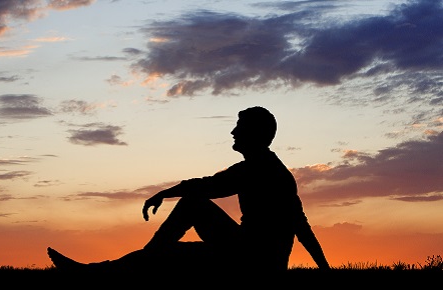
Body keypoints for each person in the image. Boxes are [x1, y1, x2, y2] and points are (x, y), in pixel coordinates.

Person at [47, 106, 330, 273]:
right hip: (248, 254)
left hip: (254, 264)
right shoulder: (260, 167)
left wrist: (326, 271)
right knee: (178, 242)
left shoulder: (261, 170)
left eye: (239, 127)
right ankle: (128, 266)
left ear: (254, 134)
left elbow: (299, 226)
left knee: (190, 211)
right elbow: (208, 184)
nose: (233, 132)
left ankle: (112, 271)